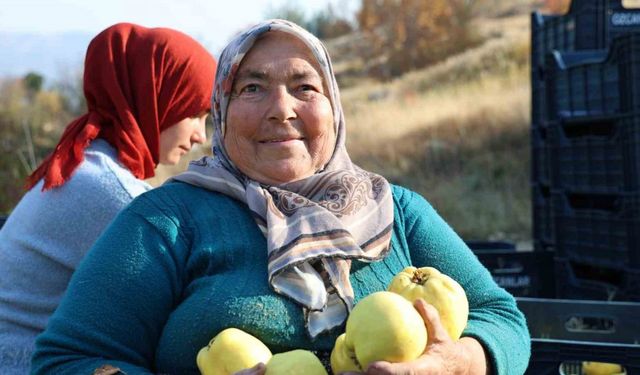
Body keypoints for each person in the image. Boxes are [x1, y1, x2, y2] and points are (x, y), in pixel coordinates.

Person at [31, 20, 530, 375]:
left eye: (304, 86)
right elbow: (67, 360)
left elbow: (503, 319)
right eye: (252, 88)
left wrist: (461, 362)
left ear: (334, 107)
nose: (281, 110)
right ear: (221, 113)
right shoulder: (167, 222)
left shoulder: (399, 212)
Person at [0, 22, 216, 374]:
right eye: (193, 113)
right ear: (155, 97)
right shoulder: (109, 191)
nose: (199, 136)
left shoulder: (90, 164)